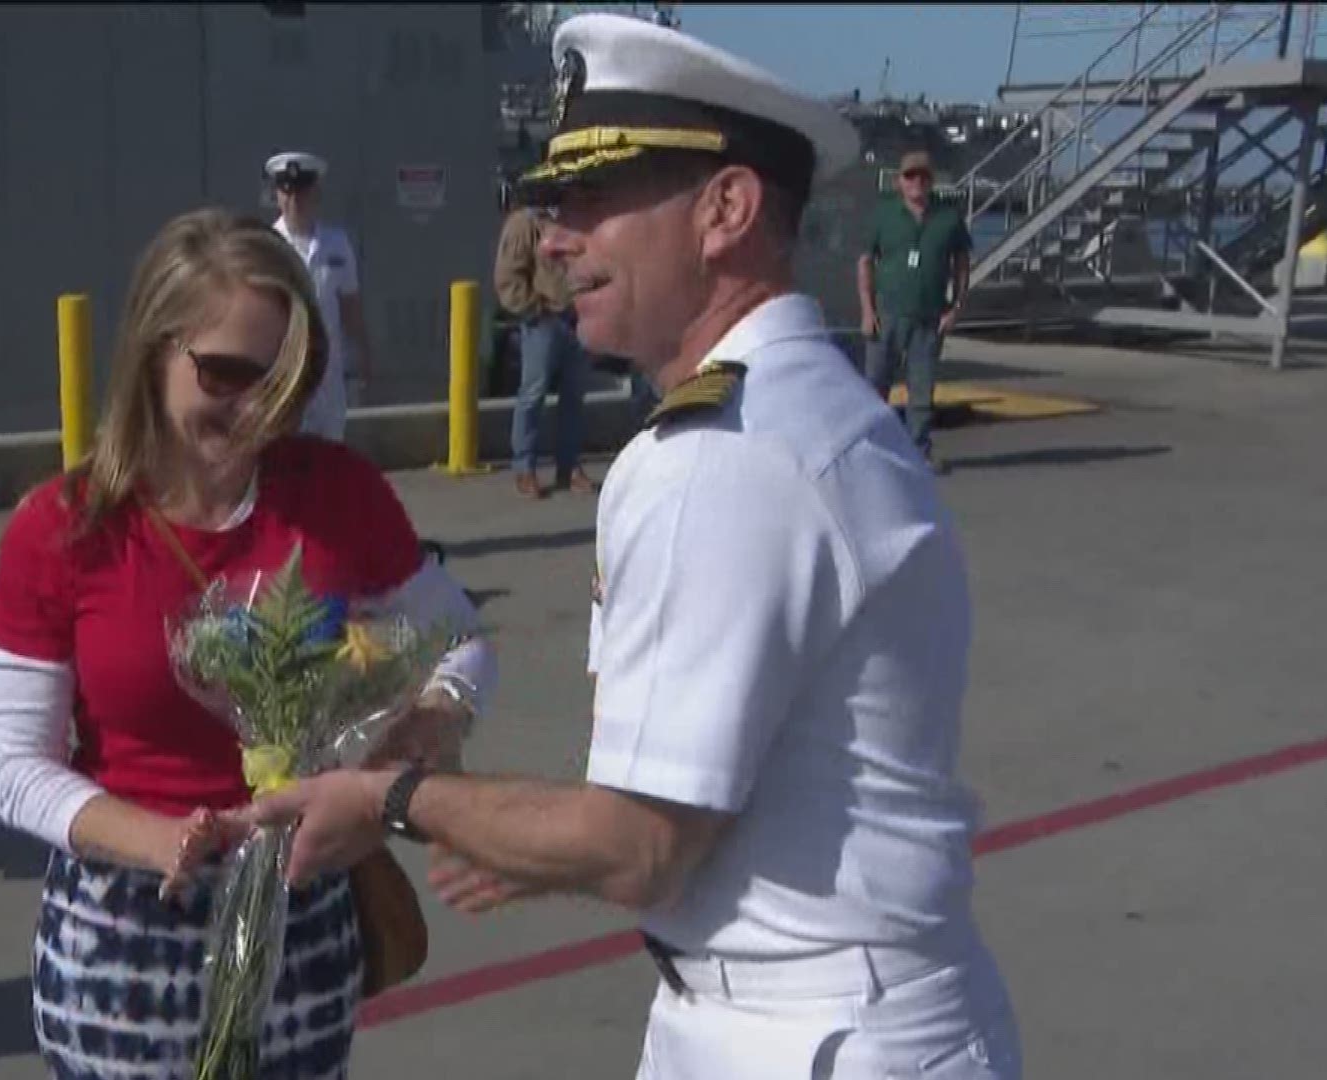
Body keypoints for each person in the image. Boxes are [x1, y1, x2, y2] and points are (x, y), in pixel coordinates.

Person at [244, 15, 1021, 1080]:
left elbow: (642, 847)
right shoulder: (800, 410)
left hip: (810, 1035)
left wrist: (388, 800)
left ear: (727, 210)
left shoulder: (724, 459)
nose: (557, 238)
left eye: (594, 202)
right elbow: (712, 794)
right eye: (555, 204)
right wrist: (525, 835)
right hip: (796, 1005)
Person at [0, 208, 495, 1078]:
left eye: (285, 380)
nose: (255, 404)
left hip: (300, 919)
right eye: (223, 373)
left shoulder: (338, 494)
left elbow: (459, 636)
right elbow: (16, 770)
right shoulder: (62, 528)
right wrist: (162, 840)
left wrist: (429, 728)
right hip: (124, 936)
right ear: (154, 348)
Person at [857, 149, 972, 474]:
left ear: (931, 181)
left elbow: (962, 264)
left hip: (930, 316)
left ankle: (919, 450)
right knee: (875, 386)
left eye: (923, 176)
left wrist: (957, 307)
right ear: (899, 182)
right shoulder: (884, 214)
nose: (917, 182)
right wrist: (867, 310)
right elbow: (866, 262)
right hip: (887, 313)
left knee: (922, 389)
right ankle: (871, 450)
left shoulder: (948, 217)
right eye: (910, 176)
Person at [265, 151, 372, 442]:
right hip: (286, 375)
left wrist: (363, 358)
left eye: (301, 192)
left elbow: (350, 305)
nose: (294, 201)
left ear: (315, 194)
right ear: (277, 196)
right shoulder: (267, 246)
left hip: (328, 377)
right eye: (286, 192)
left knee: (331, 462)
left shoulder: (336, 244)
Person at [495, 204, 594, 498]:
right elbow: (508, 276)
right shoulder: (524, 223)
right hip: (544, 321)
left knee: (575, 396)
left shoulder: (572, 218)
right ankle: (524, 468)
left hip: (578, 317)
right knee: (533, 394)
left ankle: (570, 467)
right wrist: (534, 311)